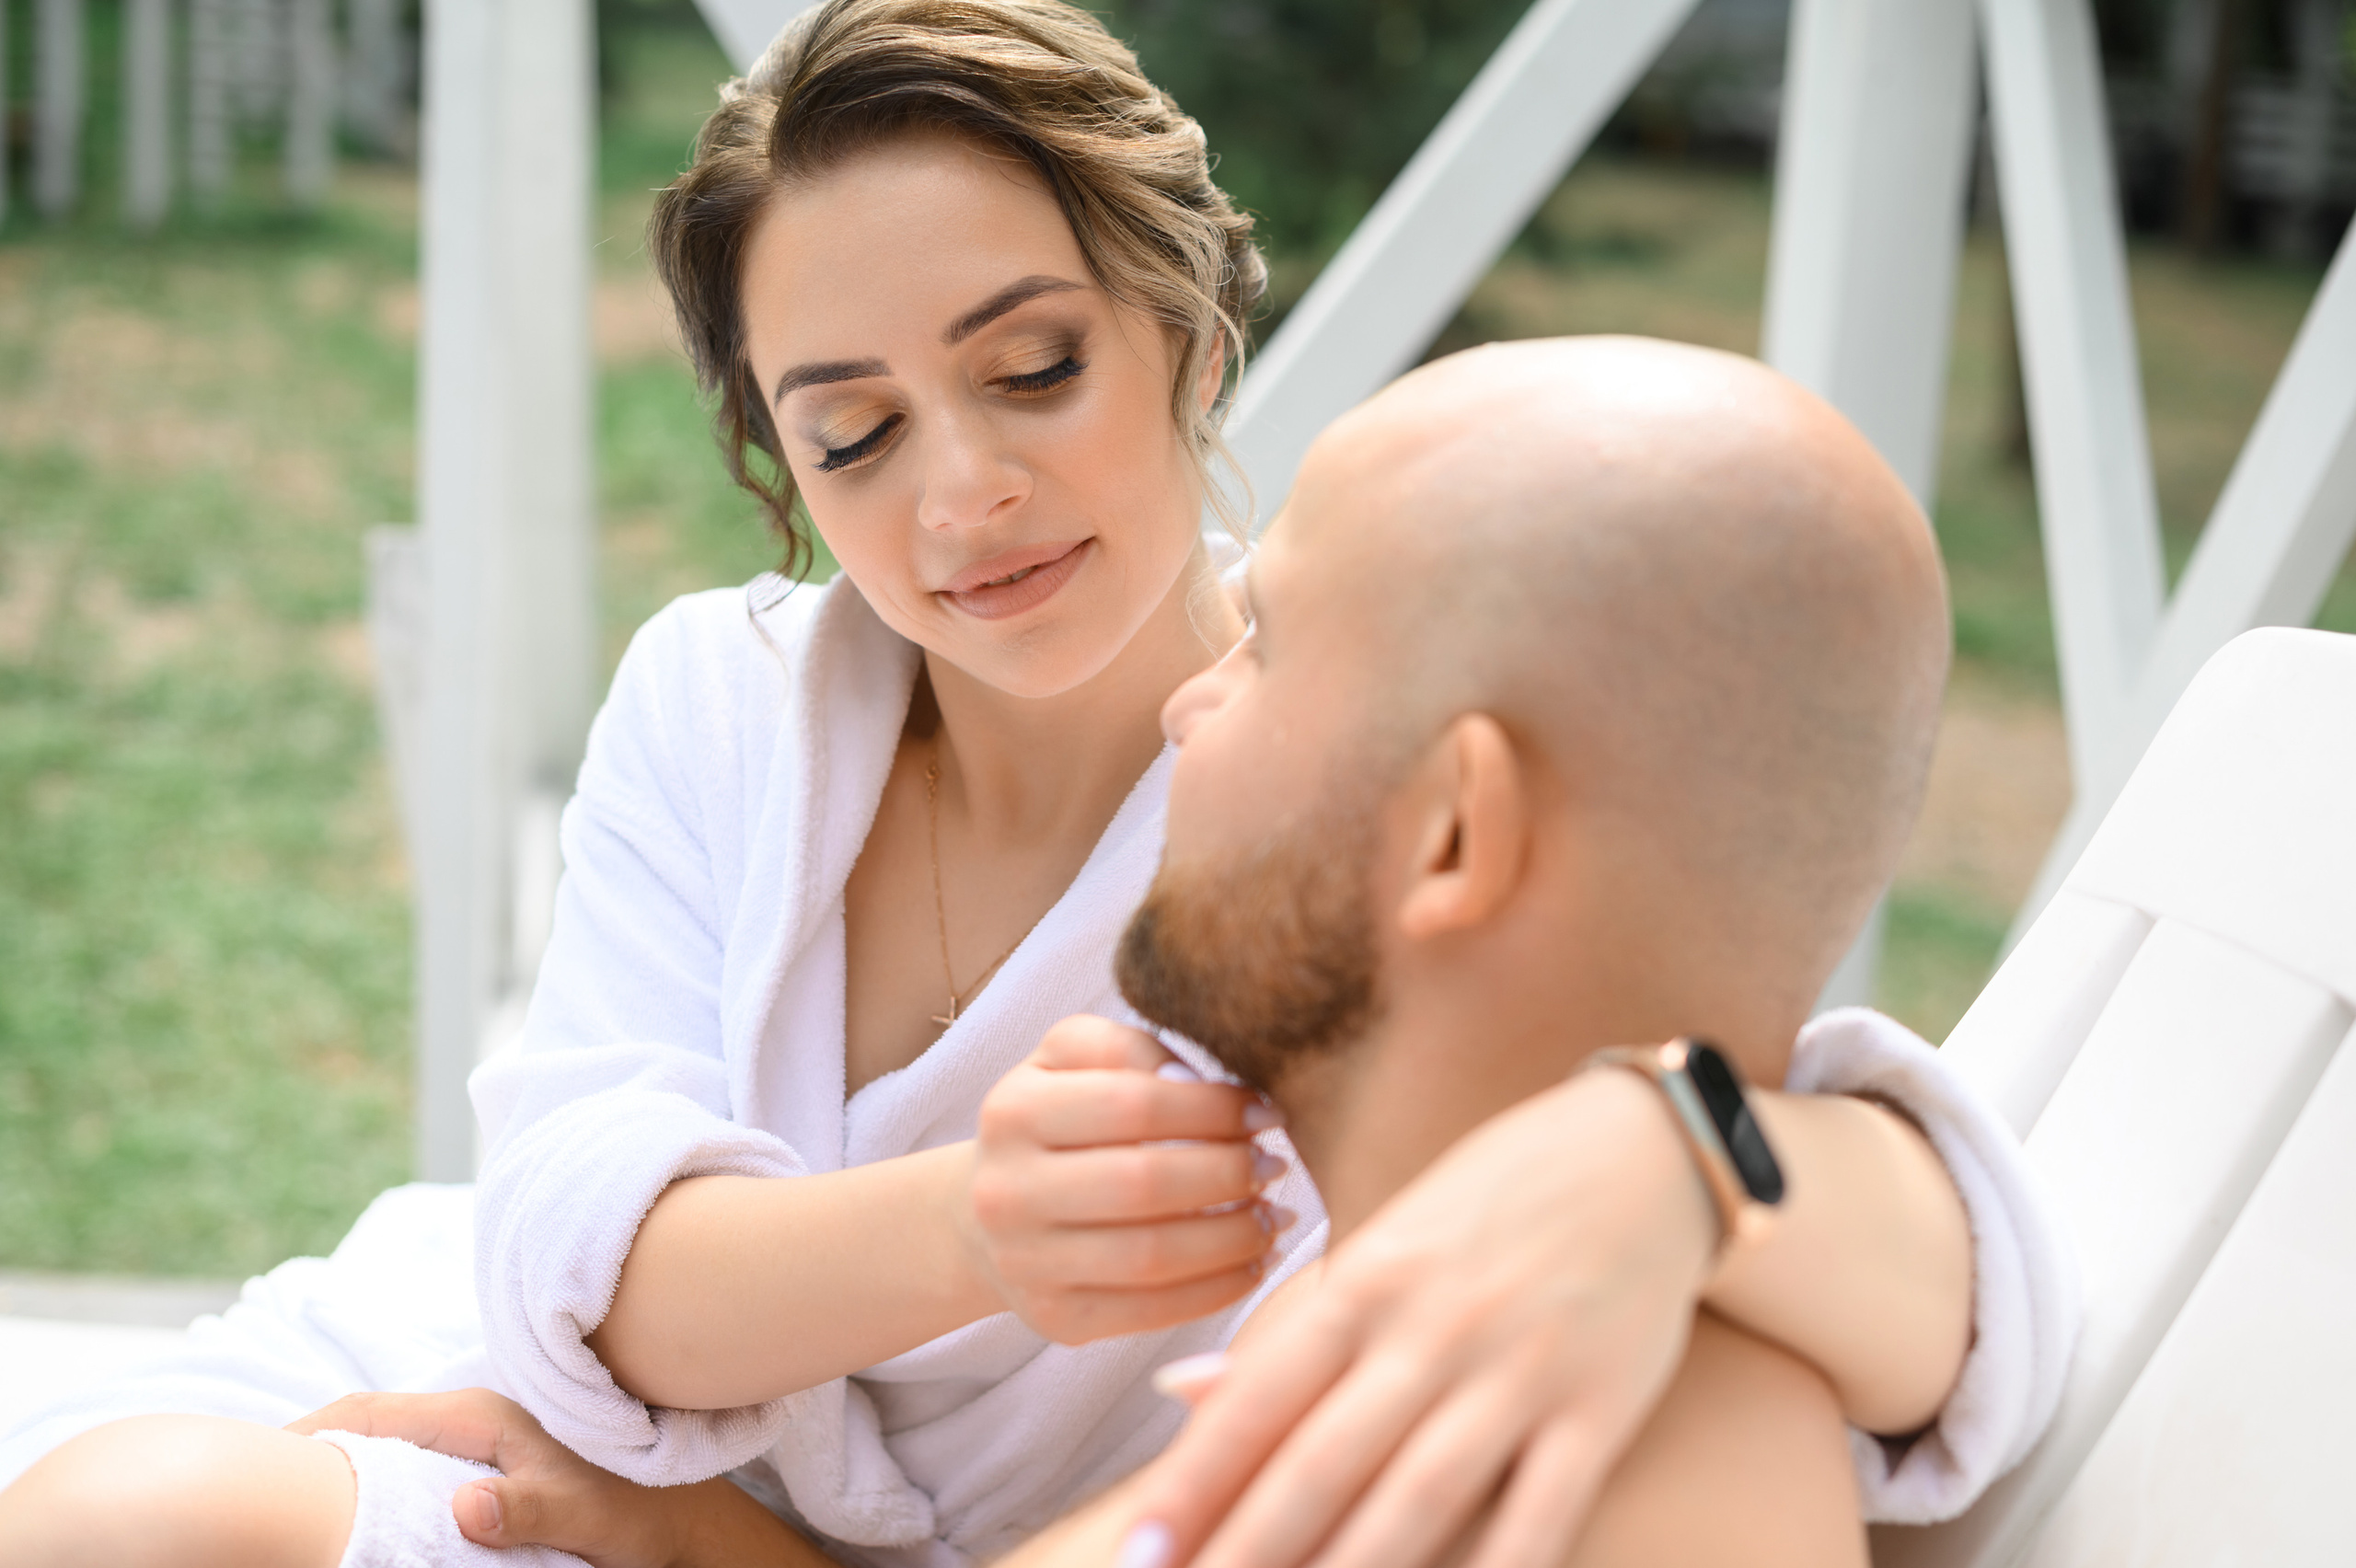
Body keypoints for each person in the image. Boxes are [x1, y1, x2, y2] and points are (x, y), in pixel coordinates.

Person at [0, 2, 2072, 1563]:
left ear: (1181, 334)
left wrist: (1673, 1152)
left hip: (745, 1527)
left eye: (1030, 369)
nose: (963, 496)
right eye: (853, 435)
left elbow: (1945, 1260)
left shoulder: (1329, 778)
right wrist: (971, 1230)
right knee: (108, 1511)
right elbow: (570, 1227)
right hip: (562, 1417)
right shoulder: (730, 708)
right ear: (784, 475)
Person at [238, 333, 2067, 1568]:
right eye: (845, 427)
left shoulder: (1603, 1438)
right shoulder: (1463, 1358)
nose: (1191, 699)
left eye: (1259, 642)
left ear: (1449, 830)